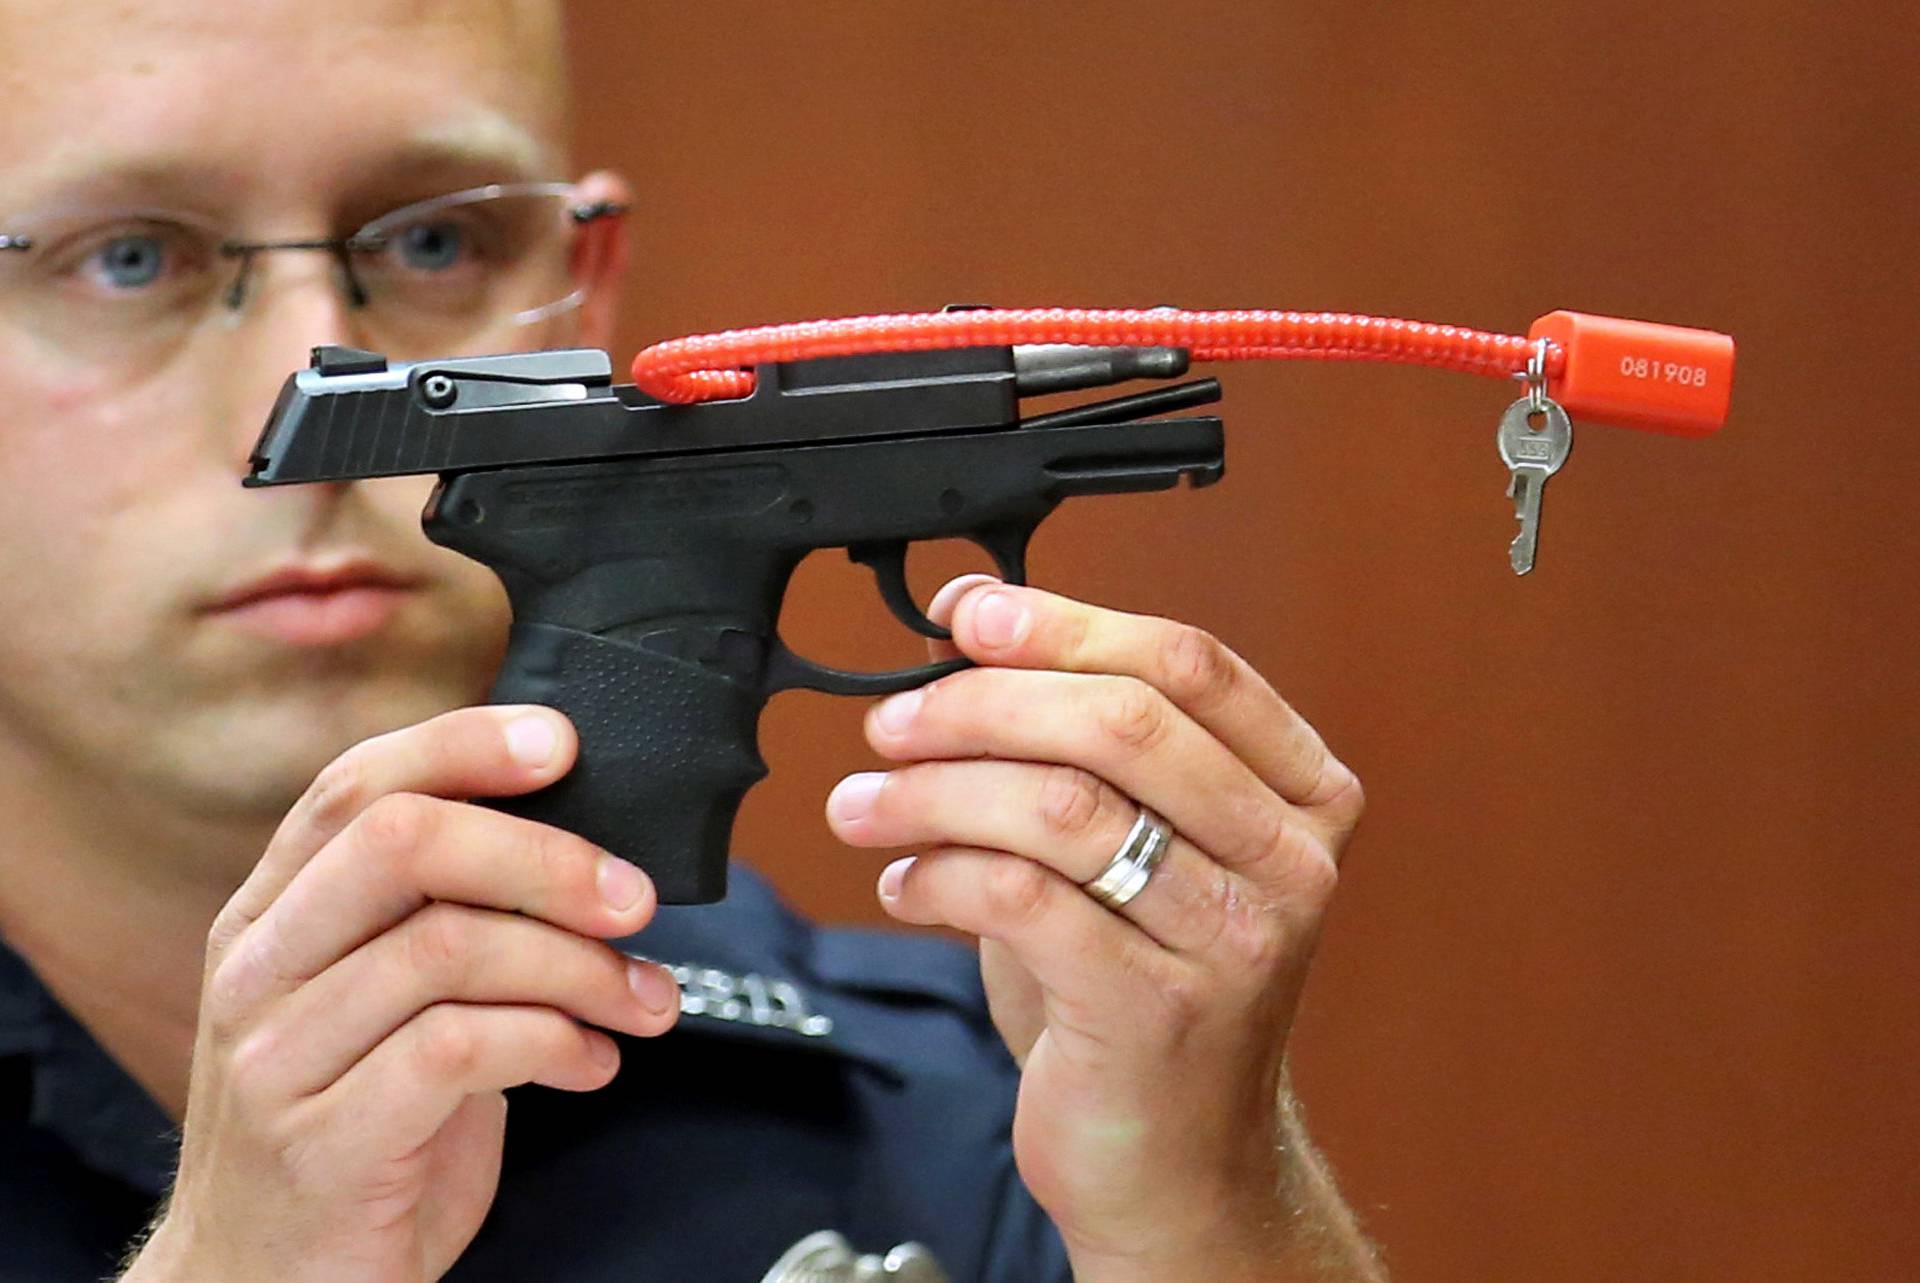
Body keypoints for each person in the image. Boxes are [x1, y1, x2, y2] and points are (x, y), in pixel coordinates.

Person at [0, 1, 1383, 1279]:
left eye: (435, 242)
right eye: (127, 261)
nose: (299, 381)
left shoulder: (997, 1102)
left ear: (580, 289)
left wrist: (1214, 1216)